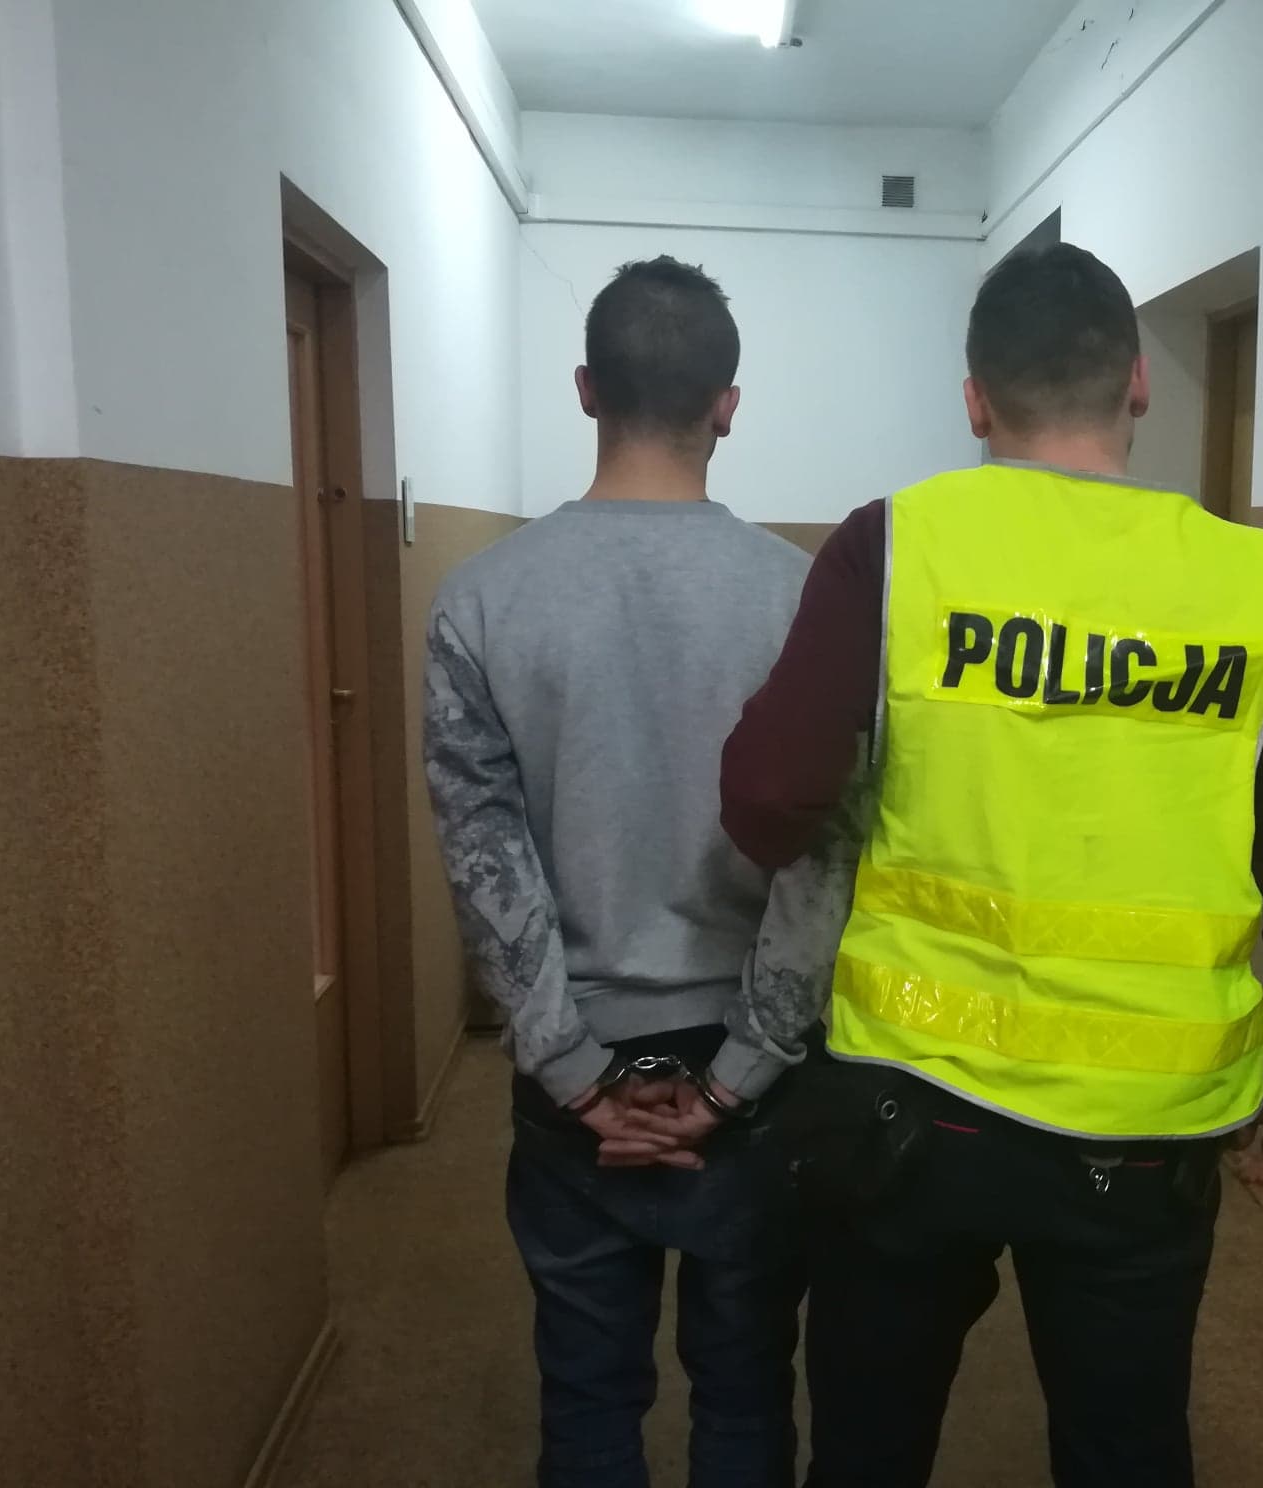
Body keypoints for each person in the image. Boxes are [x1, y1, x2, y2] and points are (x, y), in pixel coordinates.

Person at [716, 243, 1263, 1487]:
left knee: (867, 1448)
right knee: (1126, 1449)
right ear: (1138, 383)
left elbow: (767, 796)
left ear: (975, 400)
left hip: (910, 1106)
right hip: (1149, 1125)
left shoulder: (895, 547)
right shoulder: (1257, 587)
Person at [424, 256, 813, 1488]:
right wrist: (738, 1078)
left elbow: (483, 855)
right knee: (746, 1388)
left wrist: (577, 1077)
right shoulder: (803, 601)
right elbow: (827, 864)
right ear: (728, 406)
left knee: (587, 1393)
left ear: (586, 388)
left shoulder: (481, 599)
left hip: (570, 1058)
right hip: (753, 1064)